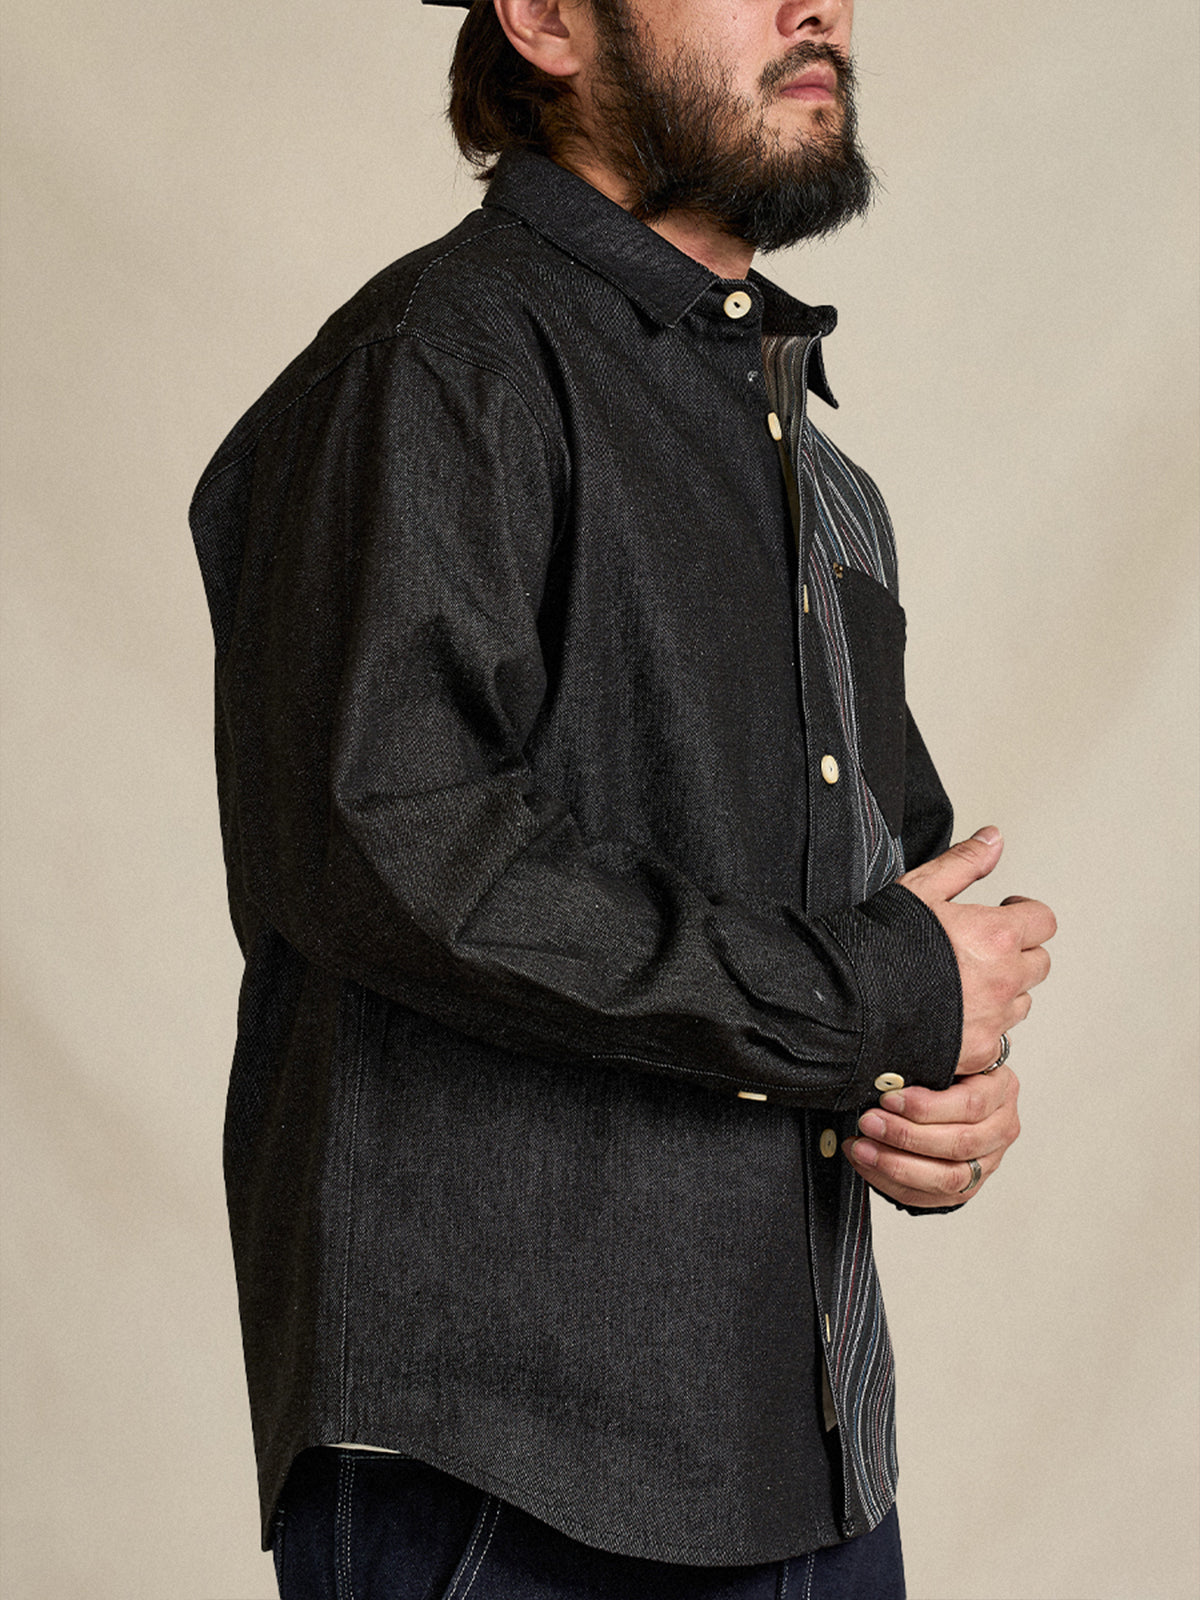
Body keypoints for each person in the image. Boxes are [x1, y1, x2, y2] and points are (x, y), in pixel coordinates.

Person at [189, 0, 1057, 1594]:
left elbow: (885, 916)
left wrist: (942, 1084)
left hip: (812, 1464)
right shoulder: (438, 363)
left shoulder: (825, 485)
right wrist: (868, 992)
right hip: (510, 1483)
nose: (818, 6)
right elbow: (396, 846)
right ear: (544, 19)